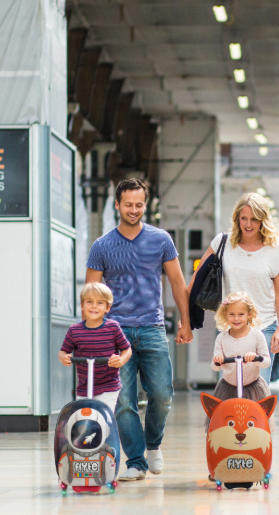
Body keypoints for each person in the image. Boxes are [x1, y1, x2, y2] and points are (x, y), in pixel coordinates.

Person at [86, 178, 192, 482]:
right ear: (117, 205)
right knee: (124, 402)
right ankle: (135, 461)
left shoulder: (161, 240)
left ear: (145, 205)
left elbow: (176, 282)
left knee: (162, 394)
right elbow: (92, 292)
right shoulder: (102, 246)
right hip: (114, 335)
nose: (134, 210)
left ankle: (153, 445)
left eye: (139, 204)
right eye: (128, 204)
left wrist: (185, 321)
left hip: (152, 329)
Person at [189, 192, 279, 384]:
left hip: (264, 327)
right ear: (237, 218)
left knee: (258, 392)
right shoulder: (222, 243)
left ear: (263, 220)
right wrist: (185, 320)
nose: (248, 224)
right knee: (230, 389)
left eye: (254, 219)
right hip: (230, 328)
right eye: (244, 218)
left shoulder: (276, 248)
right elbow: (195, 280)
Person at [58, 283, 132, 413]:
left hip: (108, 385)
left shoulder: (113, 328)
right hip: (84, 387)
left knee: (102, 416)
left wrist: (121, 360)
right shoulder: (75, 331)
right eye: (89, 302)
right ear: (82, 305)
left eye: (100, 303)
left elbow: (127, 349)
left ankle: (106, 433)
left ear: (107, 308)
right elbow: (63, 351)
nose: (94, 306)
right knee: (84, 417)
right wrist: (64, 357)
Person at [210, 292, 271, 408]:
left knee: (254, 419)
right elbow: (215, 366)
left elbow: (266, 361)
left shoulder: (257, 336)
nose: (236, 318)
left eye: (241, 314)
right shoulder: (221, 338)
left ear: (249, 314)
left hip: (253, 387)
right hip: (228, 388)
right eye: (232, 314)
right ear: (225, 314)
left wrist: (255, 358)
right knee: (226, 418)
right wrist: (218, 360)